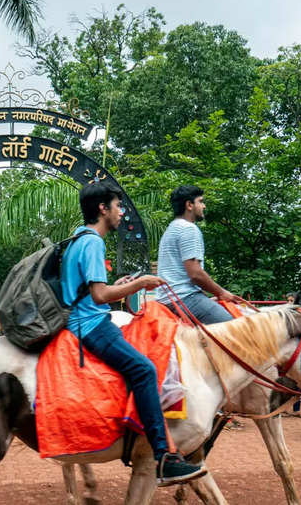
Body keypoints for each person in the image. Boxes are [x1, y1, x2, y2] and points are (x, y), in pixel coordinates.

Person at [60, 182, 206, 486]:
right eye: (117, 205)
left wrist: (123, 283)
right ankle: (163, 457)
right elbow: (99, 295)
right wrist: (139, 284)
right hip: (89, 325)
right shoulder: (92, 242)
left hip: (85, 317)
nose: (121, 212)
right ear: (103, 209)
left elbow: (93, 291)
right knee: (144, 369)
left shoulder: (80, 237)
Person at [155, 185, 243, 324]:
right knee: (237, 328)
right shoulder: (189, 229)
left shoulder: (171, 229)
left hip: (170, 299)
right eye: (200, 201)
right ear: (189, 205)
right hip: (186, 298)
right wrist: (222, 293)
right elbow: (195, 274)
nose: (204, 206)